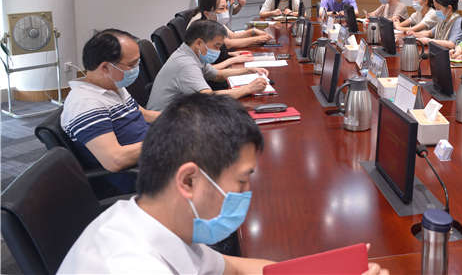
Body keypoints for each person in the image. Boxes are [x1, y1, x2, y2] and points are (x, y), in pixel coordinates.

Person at [58, 93, 389, 275]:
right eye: (242, 181)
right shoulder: (128, 266)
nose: (247, 194)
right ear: (189, 180)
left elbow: (235, 267)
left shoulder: (159, 222)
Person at [61, 29, 160, 173]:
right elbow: (115, 160)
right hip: (141, 173)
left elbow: (143, 114)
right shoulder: (85, 103)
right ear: (105, 67)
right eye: (132, 65)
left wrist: (182, 119)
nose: (137, 69)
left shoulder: (113, 85)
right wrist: (165, 141)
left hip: (153, 154)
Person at [147, 21, 269, 112]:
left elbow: (217, 75)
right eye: (216, 46)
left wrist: (248, 70)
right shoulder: (186, 64)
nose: (218, 51)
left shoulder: (192, 52)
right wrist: (248, 89)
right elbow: (208, 98)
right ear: (199, 43)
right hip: (165, 124)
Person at [190, 0, 274, 50]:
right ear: (207, 13)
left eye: (226, 7)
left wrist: (253, 31)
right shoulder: (202, 25)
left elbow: (233, 36)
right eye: (221, 8)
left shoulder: (216, 21)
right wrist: (257, 39)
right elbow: (229, 43)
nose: (225, 12)